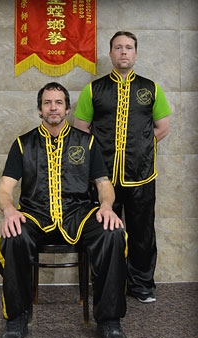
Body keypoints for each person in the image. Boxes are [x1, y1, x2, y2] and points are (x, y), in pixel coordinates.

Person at [0, 82, 128, 338]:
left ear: (67, 109)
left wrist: (106, 206)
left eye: (58, 102)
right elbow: (5, 188)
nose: (53, 107)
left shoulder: (87, 142)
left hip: (78, 214)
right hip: (34, 214)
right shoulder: (23, 144)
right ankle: (16, 319)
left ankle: (109, 320)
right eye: (47, 102)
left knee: (112, 232)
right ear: (39, 109)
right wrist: (9, 210)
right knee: (14, 235)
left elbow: (104, 184)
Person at [74, 31, 171, 304]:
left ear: (136, 54)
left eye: (129, 47)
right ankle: (107, 284)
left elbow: (162, 128)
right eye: (118, 47)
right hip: (104, 179)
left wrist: (140, 145)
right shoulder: (93, 90)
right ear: (111, 54)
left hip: (142, 175)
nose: (124, 52)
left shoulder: (151, 89)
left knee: (142, 233)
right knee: (105, 232)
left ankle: (141, 286)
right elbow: (81, 129)